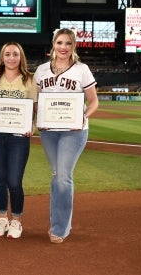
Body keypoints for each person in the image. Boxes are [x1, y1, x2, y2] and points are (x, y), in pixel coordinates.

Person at [33, 28, 99, 243]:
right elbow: (36, 101)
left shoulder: (82, 69)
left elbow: (94, 101)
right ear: (53, 44)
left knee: (63, 176)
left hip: (74, 131)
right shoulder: (42, 70)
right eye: (60, 42)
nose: (63, 47)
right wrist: (33, 118)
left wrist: (84, 116)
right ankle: (58, 222)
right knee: (56, 175)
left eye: (68, 43)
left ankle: (60, 228)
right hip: (49, 131)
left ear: (73, 46)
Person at [0, 42, 37, 239]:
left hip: (18, 137)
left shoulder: (30, 80)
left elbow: (36, 108)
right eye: (7, 54)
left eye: (15, 54)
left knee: (14, 181)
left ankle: (17, 221)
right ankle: (2, 218)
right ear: (2, 57)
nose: (11, 58)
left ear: (21, 57)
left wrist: (33, 125)